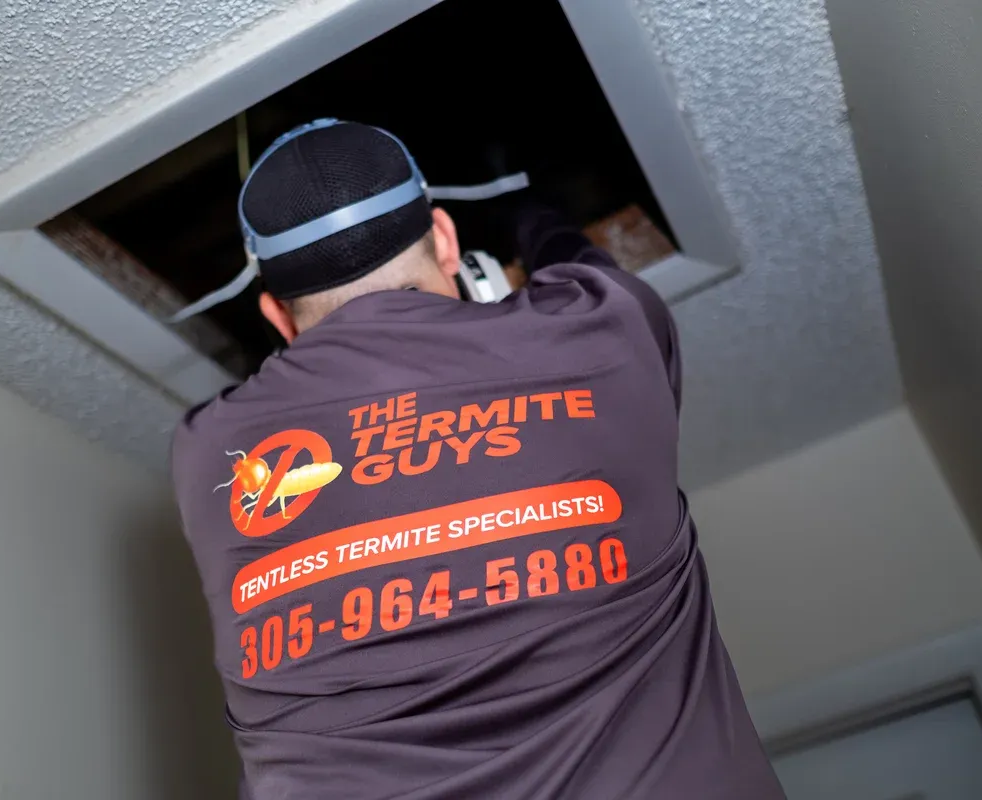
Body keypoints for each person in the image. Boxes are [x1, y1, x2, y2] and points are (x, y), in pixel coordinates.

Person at [170, 120, 784, 799]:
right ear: (448, 243)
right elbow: (577, 263)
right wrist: (532, 212)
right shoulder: (597, 335)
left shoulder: (206, 454)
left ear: (276, 320)